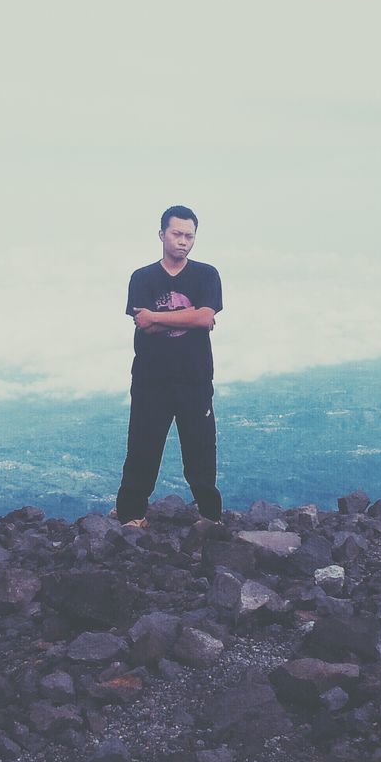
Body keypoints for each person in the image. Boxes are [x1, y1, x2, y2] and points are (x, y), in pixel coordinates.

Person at [115, 205, 223, 527]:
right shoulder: (143, 277)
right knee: (142, 449)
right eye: (177, 234)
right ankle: (131, 515)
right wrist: (193, 319)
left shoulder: (206, 274)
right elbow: (143, 325)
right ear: (162, 234)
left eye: (189, 236)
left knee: (201, 450)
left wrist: (158, 317)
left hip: (194, 379)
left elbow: (205, 316)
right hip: (151, 379)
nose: (183, 241)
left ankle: (209, 516)